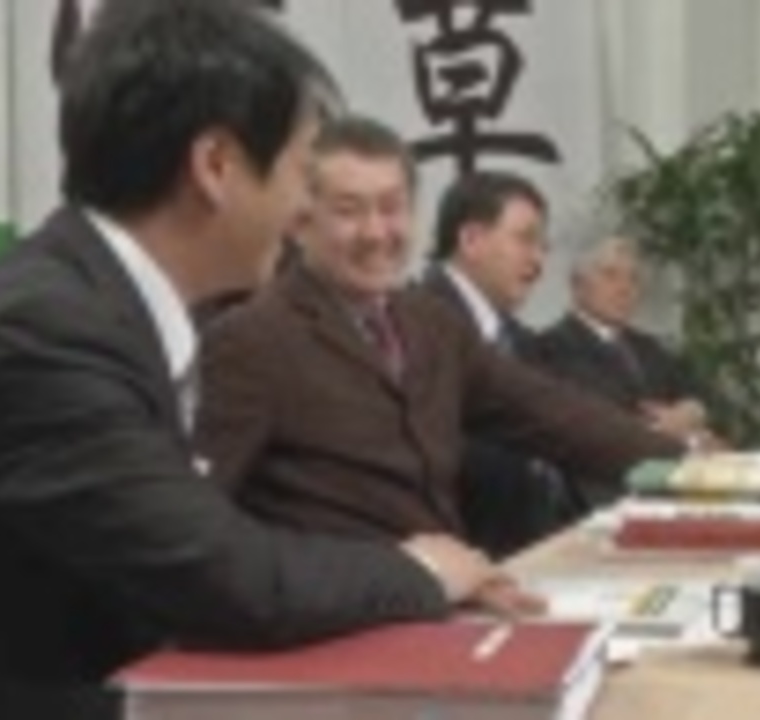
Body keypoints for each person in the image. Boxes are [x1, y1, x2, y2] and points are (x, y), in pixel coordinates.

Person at [0, 2, 504, 716]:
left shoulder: (98, 301)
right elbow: (229, 577)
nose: (303, 213)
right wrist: (421, 568)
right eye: (302, 175)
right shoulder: (40, 333)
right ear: (216, 166)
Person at [197, 116, 682, 555]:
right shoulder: (251, 338)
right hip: (339, 614)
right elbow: (205, 527)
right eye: (348, 211)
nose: (376, 232)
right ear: (301, 223)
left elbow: (549, 414)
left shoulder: (431, 323)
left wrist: (690, 465)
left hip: (450, 600)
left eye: (392, 208)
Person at [420, 170, 578, 555]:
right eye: (525, 239)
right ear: (471, 240)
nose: (538, 261)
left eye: (543, 246)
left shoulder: (522, 341)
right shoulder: (417, 324)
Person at [537, 237, 720, 446]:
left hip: (667, 462)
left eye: (634, 279)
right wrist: (677, 434)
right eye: (610, 275)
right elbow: (595, 418)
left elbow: (700, 392)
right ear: (578, 285)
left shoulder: (650, 346)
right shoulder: (551, 348)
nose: (624, 289)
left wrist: (690, 412)